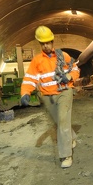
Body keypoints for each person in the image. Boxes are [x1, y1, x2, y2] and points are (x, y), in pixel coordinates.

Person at [20, 25, 80, 168]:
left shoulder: (62, 55)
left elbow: (76, 68)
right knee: (60, 122)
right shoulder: (36, 61)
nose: (46, 45)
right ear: (40, 44)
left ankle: (66, 155)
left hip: (64, 92)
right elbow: (30, 78)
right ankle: (71, 137)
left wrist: (69, 76)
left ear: (52, 41)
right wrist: (25, 93)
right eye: (43, 43)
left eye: (48, 42)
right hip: (47, 96)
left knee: (63, 121)